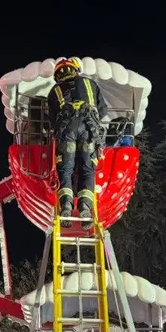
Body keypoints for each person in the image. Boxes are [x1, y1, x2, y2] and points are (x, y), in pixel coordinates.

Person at [47, 57, 109, 229]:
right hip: (89, 131)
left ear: (58, 75)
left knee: (65, 169)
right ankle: (85, 207)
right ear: (75, 69)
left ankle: (66, 205)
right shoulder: (91, 84)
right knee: (88, 169)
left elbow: (52, 121)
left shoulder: (54, 91)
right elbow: (103, 110)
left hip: (67, 131)